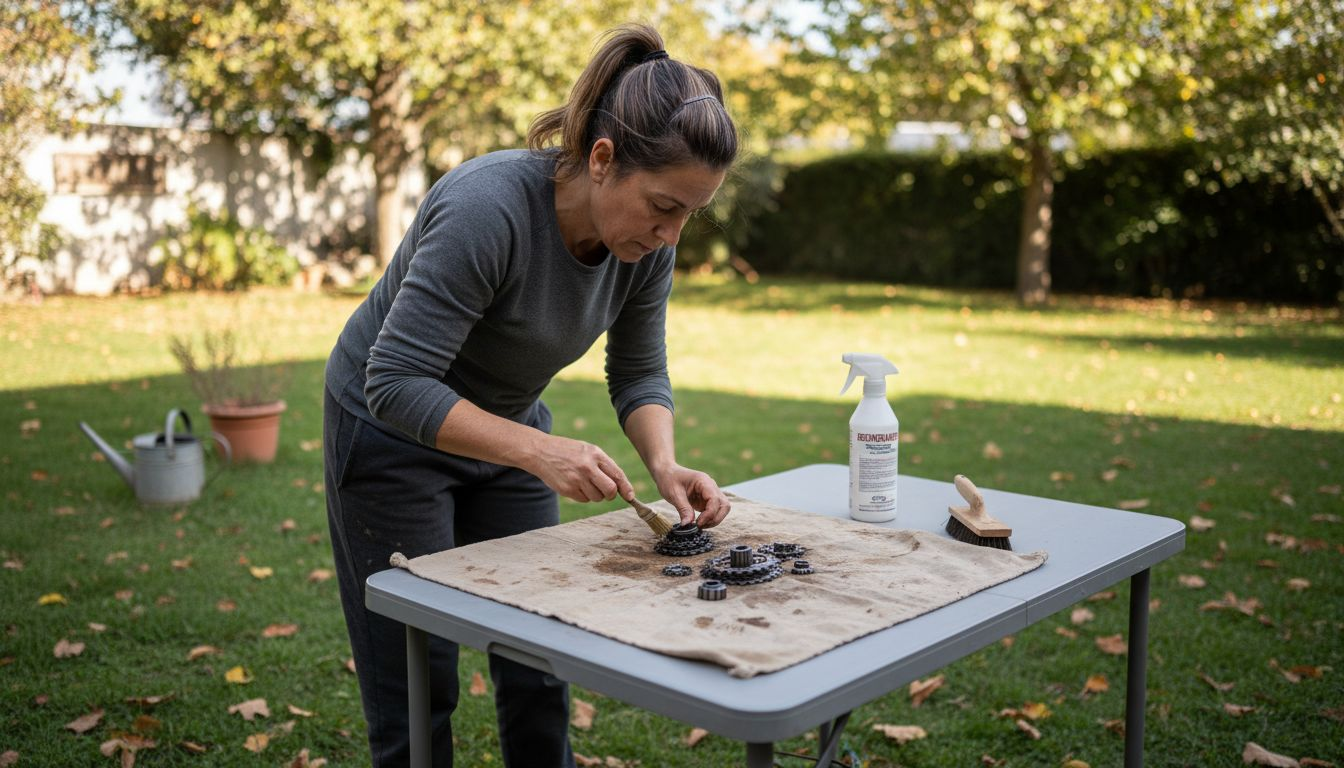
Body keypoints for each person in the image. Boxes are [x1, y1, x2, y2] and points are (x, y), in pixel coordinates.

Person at [322, 23, 738, 768]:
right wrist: (541, 451)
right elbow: (395, 381)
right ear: (603, 160)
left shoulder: (641, 248)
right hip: (388, 434)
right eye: (665, 206)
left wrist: (666, 468)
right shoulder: (488, 208)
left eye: (689, 215)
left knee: (539, 658)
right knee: (416, 681)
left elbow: (638, 370)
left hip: (509, 432)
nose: (673, 234)